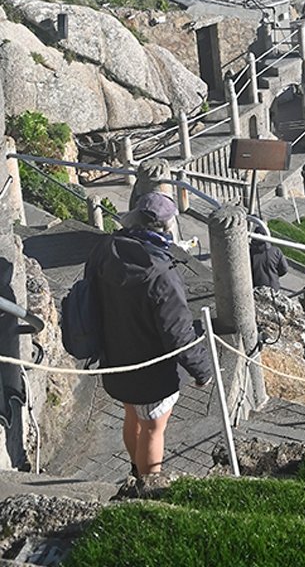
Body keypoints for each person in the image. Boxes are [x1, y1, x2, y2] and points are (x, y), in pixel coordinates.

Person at [90, 192, 212, 480]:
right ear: (167, 228)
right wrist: (202, 371)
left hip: (116, 357)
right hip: (152, 368)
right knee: (154, 427)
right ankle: (148, 486)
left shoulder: (106, 249)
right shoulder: (161, 275)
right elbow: (178, 333)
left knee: (132, 414)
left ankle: (135, 472)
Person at [249, 220, 288, 290]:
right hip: (273, 287)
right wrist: (274, 274)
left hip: (257, 288)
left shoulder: (250, 253)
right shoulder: (276, 251)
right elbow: (284, 269)